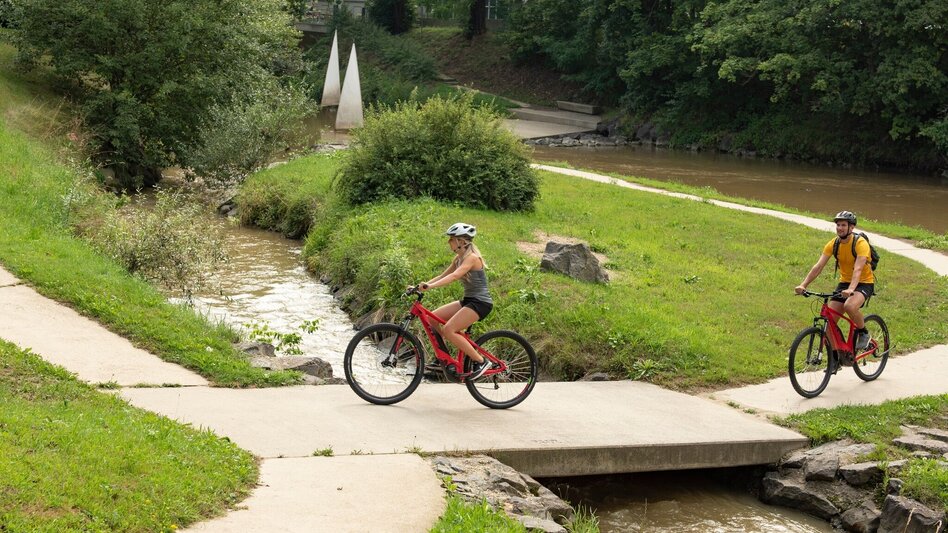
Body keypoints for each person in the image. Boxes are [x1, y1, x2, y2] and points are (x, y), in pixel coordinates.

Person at [416, 222, 495, 379]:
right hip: (469, 301)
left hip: (480, 303)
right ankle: (444, 358)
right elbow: (443, 276)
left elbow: (454, 277)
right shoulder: (458, 258)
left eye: (451, 239)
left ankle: (480, 361)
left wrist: (430, 287)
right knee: (432, 318)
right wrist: (421, 286)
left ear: (461, 241)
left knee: (449, 330)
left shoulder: (472, 258)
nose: (448, 242)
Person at [795, 210, 875, 355]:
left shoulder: (860, 243)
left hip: (863, 283)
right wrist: (803, 285)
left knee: (850, 305)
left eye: (843, 225)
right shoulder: (834, 244)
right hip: (845, 283)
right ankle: (836, 356)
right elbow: (818, 266)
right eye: (838, 225)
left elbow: (858, 269)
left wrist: (851, 289)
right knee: (828, 321)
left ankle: (863, 333)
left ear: (851, 227)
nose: (840, 228)